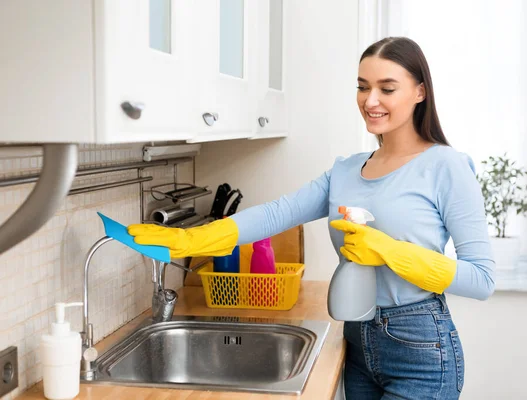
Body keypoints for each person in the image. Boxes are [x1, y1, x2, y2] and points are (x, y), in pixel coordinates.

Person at [128, 36, 495, 400]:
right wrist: (192, 239)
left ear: (419, 92)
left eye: (387, 88)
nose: (370, 101)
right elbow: (279, 213)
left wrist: (390, 252)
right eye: (362, 87)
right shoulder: (346, 171)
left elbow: (481, 279)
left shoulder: (446, 166)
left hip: (421, 349)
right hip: (357, 341)